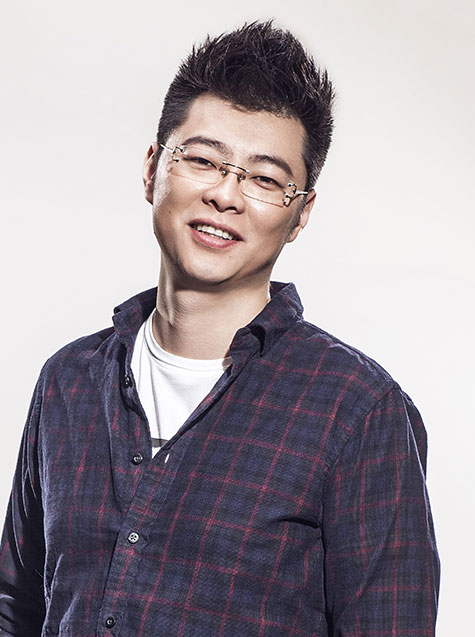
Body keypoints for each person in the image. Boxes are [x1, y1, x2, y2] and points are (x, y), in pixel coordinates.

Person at [0, 21, 439, 637]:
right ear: (152, 169)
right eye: (203, 160)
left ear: (300, 214)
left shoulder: (358, 411)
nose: (226, 195)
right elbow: (16, 606)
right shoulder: (67, 382)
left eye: (265, 179)